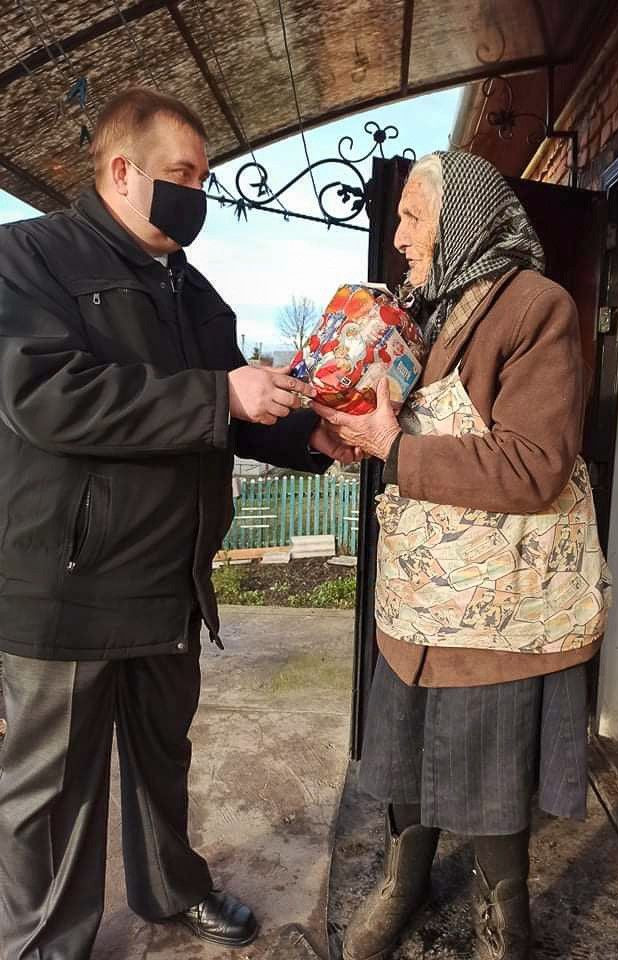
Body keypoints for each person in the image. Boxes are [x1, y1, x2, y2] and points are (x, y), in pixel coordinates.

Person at [0, 87, 355, 959]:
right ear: (121, 171)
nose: (198, 194)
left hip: (170, 582)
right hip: (68, 583)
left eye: (204, 177)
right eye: (183, 175)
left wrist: (312, 435)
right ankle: (44, 943)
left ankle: (172, 890)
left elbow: (233, 407)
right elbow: (43, 398)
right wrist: (216, 392)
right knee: (51, 793)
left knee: (163, 759)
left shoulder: (194, 293)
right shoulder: (30, 258)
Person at [313, 151, 612, 960]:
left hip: (494, 609)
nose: (398, 235)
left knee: (489, 767)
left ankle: (505, 907)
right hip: (415, 597)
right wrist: (344, 432)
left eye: (412, 216)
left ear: (465, 220)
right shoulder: (419, 315)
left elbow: (534, 465)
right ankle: (405, 879)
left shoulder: (534, 308)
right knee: (402, 748)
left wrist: (396, 448)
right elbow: (379, 421)